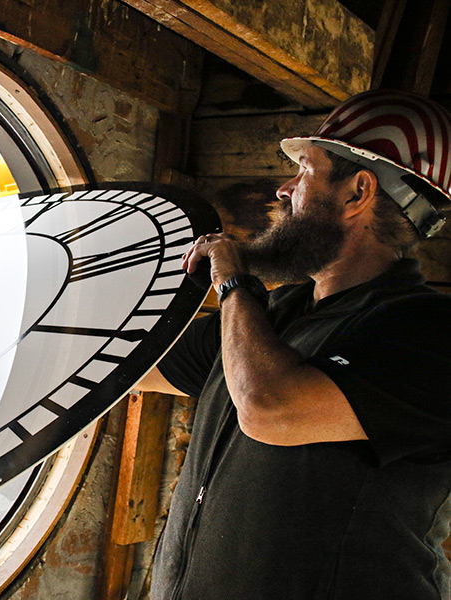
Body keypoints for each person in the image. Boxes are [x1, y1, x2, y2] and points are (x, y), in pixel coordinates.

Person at [139, 89, 451, 599]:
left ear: (358, 192)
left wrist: (233, 284)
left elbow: (270, 407)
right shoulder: (280, 314)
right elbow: (130, 362)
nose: (285, 189)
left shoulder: (428, 332)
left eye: (305, 169)